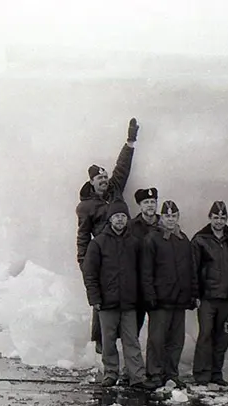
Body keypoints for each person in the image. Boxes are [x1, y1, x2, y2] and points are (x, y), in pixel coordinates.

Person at [76, 118, 140, 353]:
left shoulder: (115, 190)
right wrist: (84, 263)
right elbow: (83, 236)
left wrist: (130, 141)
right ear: (92, 183)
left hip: (126, 249)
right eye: (100, 179)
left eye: (105, 177)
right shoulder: (86, 207)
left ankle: (128, 344)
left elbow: (122, 167)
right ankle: (101, 345)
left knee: (128, 296)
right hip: (103, 254)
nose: (104, 181)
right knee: (102, 302)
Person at [81, 200, 158, 391]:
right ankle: (110, 373)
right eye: (116, 216)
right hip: (107, 303)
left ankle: (137, 376)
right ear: (110, 219)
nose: (120, 220)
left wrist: (141, 297)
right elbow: (90, 273)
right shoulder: (98, 243)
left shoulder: (134, 243)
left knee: (131, 340)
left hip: (130, 303)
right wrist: (95, 298)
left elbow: (142, 271)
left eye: (123, 216)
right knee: (108, 340)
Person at [141, 200, 199, 389]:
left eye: (173, 216)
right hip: (160, 300)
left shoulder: (184, 240)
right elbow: (146, 270)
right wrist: (149, 294)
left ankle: (171, 373)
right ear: (161, 218)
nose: (170, 219)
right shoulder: (153, 239)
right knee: (157, 339)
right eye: (167, 216)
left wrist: (192, 293)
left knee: (176, 341)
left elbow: (192, 269)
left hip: (179, 300)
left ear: (178, 217)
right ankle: (155, 374)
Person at [191, 200, 228, 386]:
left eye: (222, 217)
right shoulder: (200, 239)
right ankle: (201, 374)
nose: (219, 221)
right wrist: (195, 294)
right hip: (207, 297)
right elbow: (193, 269)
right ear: (210, 218)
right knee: (205, 334)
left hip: (225, 297)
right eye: (216, 217)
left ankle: (216, 373)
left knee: (222, 336)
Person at [128, 187, 160, 332]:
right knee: (134, 326)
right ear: (140, 205)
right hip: (138, 285)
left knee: (159, 329)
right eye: (146, 202)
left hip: (159, 285)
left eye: (152, 201)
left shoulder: (164, 224)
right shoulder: (131, 227)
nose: (150, 205)